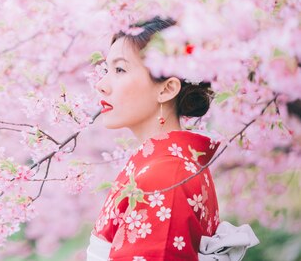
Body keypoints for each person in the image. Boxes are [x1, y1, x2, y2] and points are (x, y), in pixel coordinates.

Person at [87, 17, 258, 261]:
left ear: (167, 89)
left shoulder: (167, 172)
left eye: (120, 69)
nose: (101, 85)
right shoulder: (171, 164)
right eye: (107, 70)